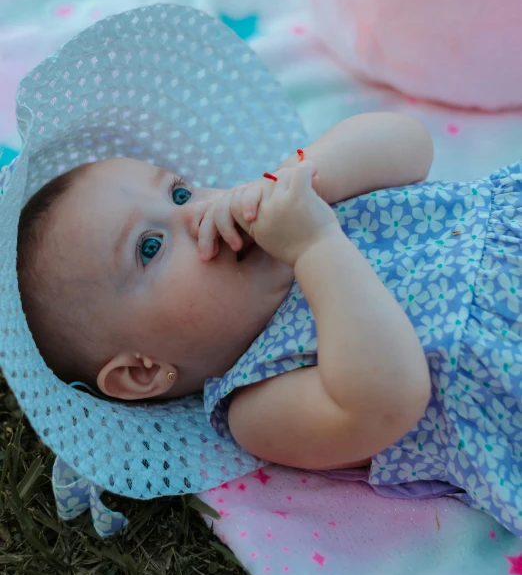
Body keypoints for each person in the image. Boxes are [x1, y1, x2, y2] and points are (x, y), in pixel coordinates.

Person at [16, 108, 522, 536]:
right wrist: (315, 248)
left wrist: (287, 179)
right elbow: (389, 398)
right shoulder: (257, 405)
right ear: (144, 370)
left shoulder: (298, 204)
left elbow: (408, 143)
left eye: (178, 193)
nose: (196, 214)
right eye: (151, 246)